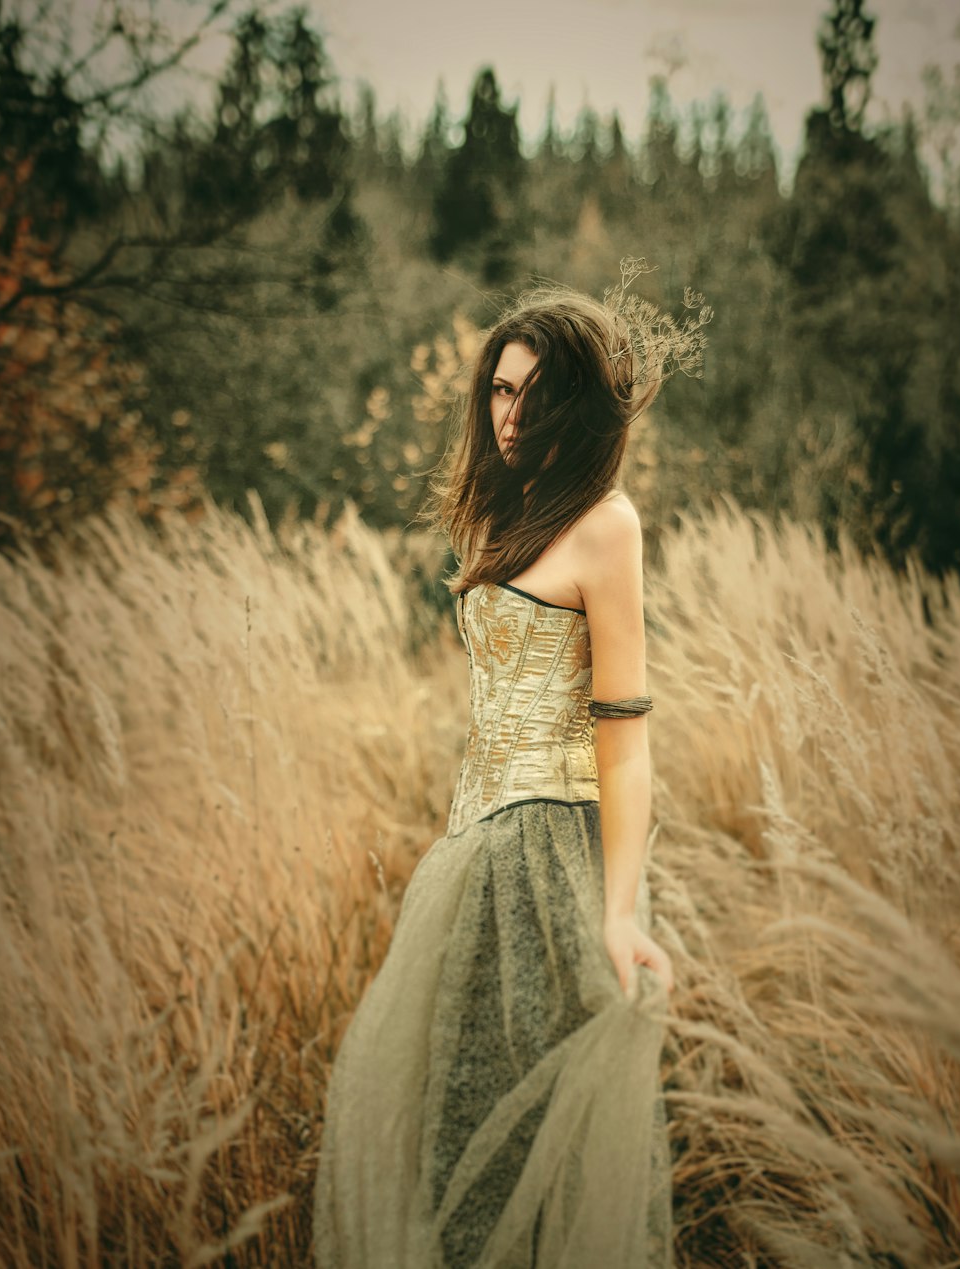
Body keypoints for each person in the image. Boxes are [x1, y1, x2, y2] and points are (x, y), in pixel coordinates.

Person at [314, 275, 704, 1267]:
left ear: (577, 405)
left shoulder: (605, 523)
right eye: (499, 389)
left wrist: (619, 912)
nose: (511, 413)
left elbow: (624, 734)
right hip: (474, 853)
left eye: (533, 394)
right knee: (448, 1132)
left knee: (535, 1148)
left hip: (554, 860)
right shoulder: (508, 510)